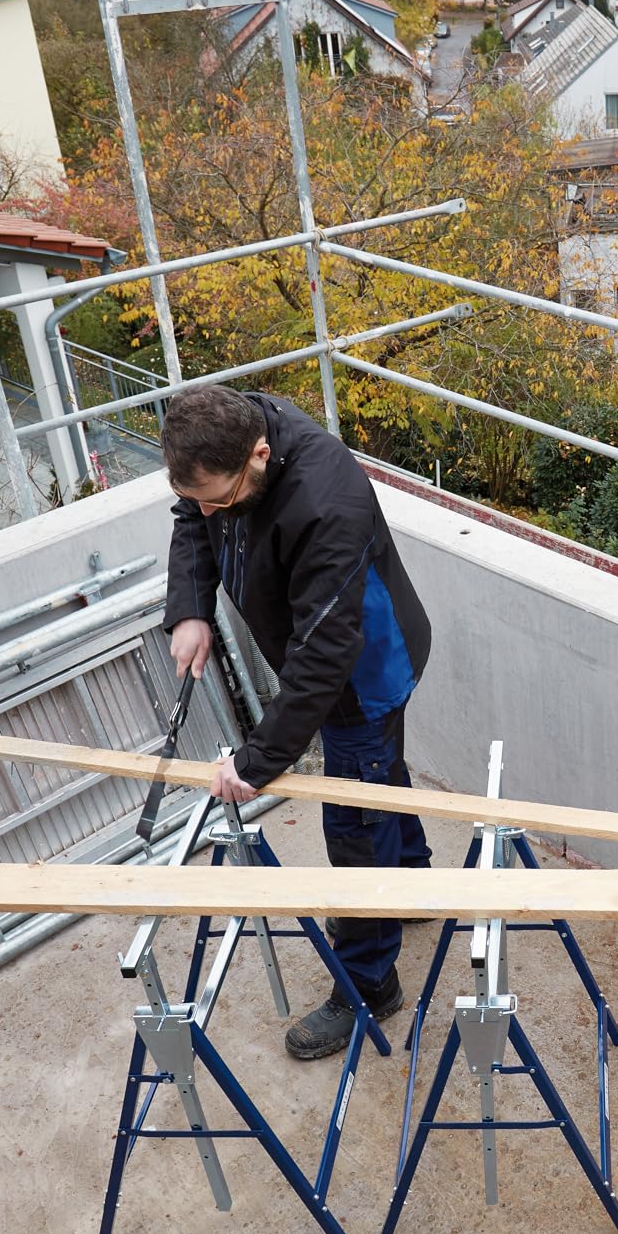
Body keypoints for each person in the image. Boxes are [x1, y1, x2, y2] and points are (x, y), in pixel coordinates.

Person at [159, 386, 434, 1060]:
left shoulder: (326, 499)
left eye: (218, 498)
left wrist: (254, 764)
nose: (206, 509)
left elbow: (324, 658)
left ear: (258, 456)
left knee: (355, 819)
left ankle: (371, 984)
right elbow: (193, 518)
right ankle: (419, 881)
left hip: (362, 672)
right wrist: (191, 606)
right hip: (329, 655)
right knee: (381, 780)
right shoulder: (221, 441)